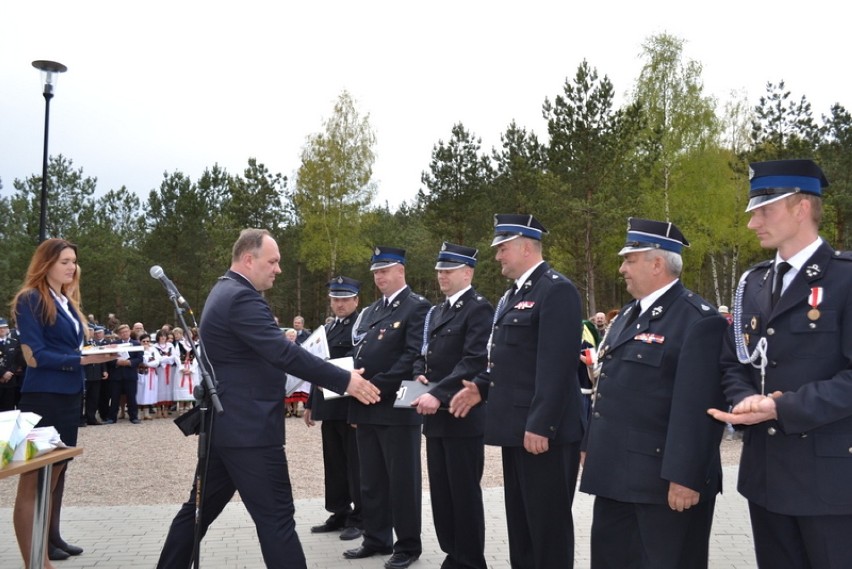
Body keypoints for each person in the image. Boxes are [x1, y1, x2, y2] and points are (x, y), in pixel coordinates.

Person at [156, 228, 380, 569]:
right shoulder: (242, 298)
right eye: (273, 261)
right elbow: (282, 353)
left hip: (227, 428)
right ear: (249, 259)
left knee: (197, 512)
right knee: (276, 518)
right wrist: (344, 380)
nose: (278, 269)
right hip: (250, 433)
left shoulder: (223, 290)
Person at [708, 159, 852, 568]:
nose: (753, 223)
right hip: (766, 478)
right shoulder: (754, 282)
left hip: (829, 481)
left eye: (764, 210)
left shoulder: (844, 279)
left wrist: (782, 408)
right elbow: (735, 359)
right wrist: (744, 400)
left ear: (801, 208)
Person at [580, 218, 728, 569]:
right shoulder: (629, 314)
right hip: (616, 477)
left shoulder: (697, 319)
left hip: (665, 485)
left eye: (630, 260)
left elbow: (700, 408)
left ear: (657, 264)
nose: (622, 269)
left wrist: (686, 478)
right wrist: (591, 444)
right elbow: (610, 386)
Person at [450, 214, 585, 569]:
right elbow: (511, 358)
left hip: (543, 433)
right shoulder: (515, 294)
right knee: (522, 525)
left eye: (503, 248)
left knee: (547, 528)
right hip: (517, 429)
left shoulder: (556, 290)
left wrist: (541, 424)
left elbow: (556, 366)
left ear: (527, 247)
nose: (497, 257)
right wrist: (481, 387)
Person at [10, 238, 116, 568]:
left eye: (73, 261)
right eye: (64, 261)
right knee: (33, 483)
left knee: (53, 477)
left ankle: (44, 555)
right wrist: (80, 359)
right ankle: (35, 562)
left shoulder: (67, 302)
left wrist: (97, 355)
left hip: (69, 396)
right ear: (46, 264)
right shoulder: (30, 299)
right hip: (44, 398)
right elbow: (35, 356)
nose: (72, 267)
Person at [344, 246, 429, 569]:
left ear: (401, 271)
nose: (379, 277)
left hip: (396, 406)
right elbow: (361, 353)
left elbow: (412, 356)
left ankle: (407, 545)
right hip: (366, 406)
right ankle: (376, 538)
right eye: (376, 272)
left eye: (385, 270)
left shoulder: (417, 307)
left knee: (403, 480)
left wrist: (374, 384)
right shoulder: (371, 311)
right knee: (372, 479)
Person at [411, 242, 493, 569]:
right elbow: (425, 353)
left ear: (467, 273)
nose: (442, 276)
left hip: (461, 415)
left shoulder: (478, 309)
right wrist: (418, 375)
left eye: (449, 271)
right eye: (439, 271)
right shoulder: (437, 311)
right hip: (436, 418)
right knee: (443, 495)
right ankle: (453, 553)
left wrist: (438, 393)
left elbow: (473, 361)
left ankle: (471, 560)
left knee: (464, 494)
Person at [304, 275, 364, 541]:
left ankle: (360, 517)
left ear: (355, 300)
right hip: (329, 406)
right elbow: (317, 366)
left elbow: (362, 364)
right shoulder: (326, 330)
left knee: (356, 463)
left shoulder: (360, 327)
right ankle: (339, 511)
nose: (340, 304)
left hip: (349, 405)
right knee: (335, 463)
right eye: (335, 299)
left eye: (345, 299)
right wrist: (309, 403)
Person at [105, 324, 143, 424]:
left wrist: (130, 362)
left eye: (126, 332)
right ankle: (112, 417)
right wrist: (116, 362)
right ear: (119, 334)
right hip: (116, 374)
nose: (124, 334)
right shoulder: (114, 344)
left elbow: (140, 358)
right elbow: (108, 358)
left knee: (131, 397)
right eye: (122, 332)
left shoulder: (136, 344)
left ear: (129, 332)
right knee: (114, 397)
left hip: (130, 373)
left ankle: (133, 416)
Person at [82, 325, 110, 425]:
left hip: (96, 373)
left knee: (94, 397)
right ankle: (80, 419)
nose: (90, 333)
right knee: (82, 398)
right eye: (88, 331)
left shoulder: (97, 343)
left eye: (91, 331)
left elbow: (101, 358)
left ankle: (91, 417)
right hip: (86, 373)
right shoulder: (81, 343)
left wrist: (104, 370)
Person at [0, 317, 23, 412]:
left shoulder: (14, 342)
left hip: (10, 381)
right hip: (1, 379)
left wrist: (10, 372)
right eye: (0, 328)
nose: (2, 330)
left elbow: (17, 360)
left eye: (4, 327)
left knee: (9, 410)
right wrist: (2, 374)